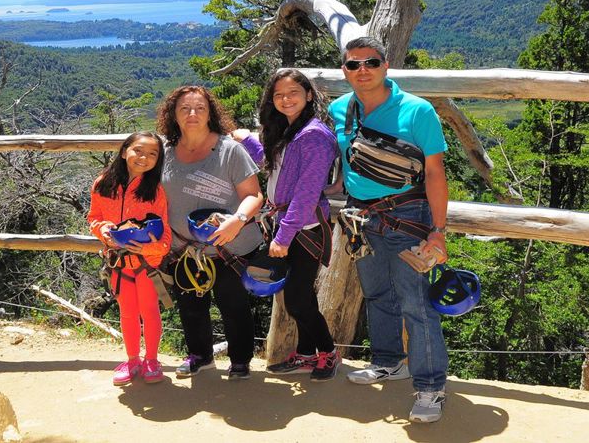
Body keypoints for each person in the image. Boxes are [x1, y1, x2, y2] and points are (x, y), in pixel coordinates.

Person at [328, 36, 451, 423]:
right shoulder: (338, 110)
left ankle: (431, 387)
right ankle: (388, 362)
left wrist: (439, 230)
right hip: (361, 218)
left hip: (408, 214)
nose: (362, 70)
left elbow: (434, 172)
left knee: (416, 302)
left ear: (386, 65)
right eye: (353, 64)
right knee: (377, 292)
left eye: (371, 62)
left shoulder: (417, 111)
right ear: (344, 70)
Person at [231, 68, 341, 382]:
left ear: (309, 95)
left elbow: (306, 191)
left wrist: (283, 236)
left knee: (295, 299)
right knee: (301, 296)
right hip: (290, 225)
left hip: (303, 230)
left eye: (293, 92)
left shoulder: (315, 135)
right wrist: (246, 140)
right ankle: (307, 355)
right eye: (279, 94)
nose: (285, 99)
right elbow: (274, 166)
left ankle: (328, 352)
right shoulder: (293, 130)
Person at [157, 86, 265, 380]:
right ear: (173, 115)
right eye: (185, 109)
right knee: (191, 305)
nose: (192, 114)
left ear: (210, 113)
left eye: (200, 108)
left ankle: (240, 360)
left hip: (229, 245)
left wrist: (237, 220)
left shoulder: (230, 150)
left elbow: (254, 195)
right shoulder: (164, 151)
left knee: (233, 304)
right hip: (183, 248)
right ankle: (200, 356)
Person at [88, 131, 172, 385]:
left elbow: (165, 232)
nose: (143, 157)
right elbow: (94, 217)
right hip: (118, 262)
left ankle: (152, 360)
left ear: (158, 160)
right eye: (138, 150)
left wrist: (149, 250)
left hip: (146, 264)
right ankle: (133, 359)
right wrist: (102, 231)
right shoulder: (103, 184)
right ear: (124, 151)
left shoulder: (155, 190)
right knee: (127, 312)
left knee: (149, 311)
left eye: (152, 154)